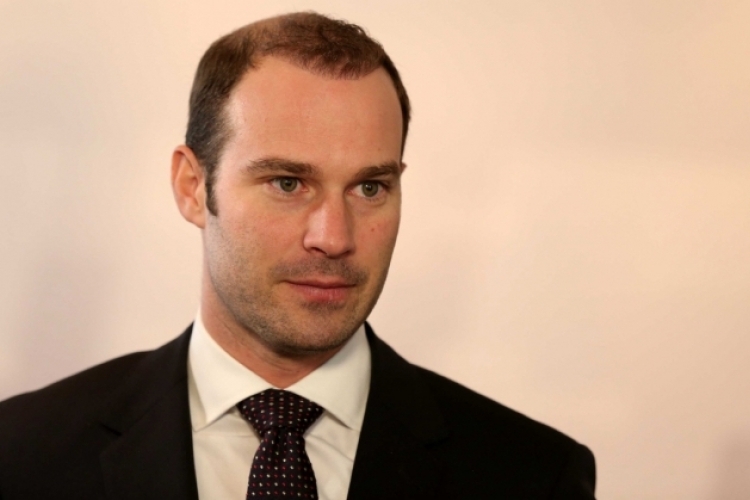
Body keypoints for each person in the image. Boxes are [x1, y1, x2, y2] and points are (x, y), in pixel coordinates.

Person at [0, 12, 596, 499]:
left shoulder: (532, 476)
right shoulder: (21, 456)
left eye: (370, 187)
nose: (334, 238)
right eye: (288, 183)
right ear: (192, 187)